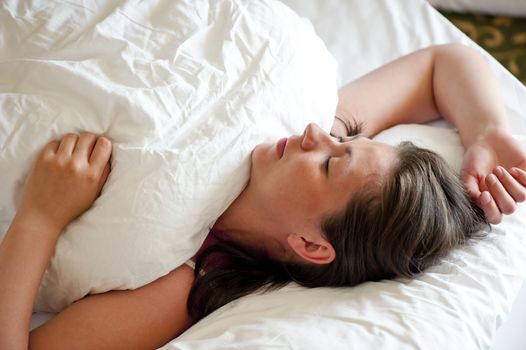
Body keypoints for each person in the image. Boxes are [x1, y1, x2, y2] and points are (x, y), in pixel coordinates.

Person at [1, 43, 525, 350]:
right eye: (347, 138)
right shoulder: (293, 133)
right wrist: (486, 131)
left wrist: (40, 220)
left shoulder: (186, 281)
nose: (319, 132)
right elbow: (442, 62)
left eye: (330, 162)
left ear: (311, 245)